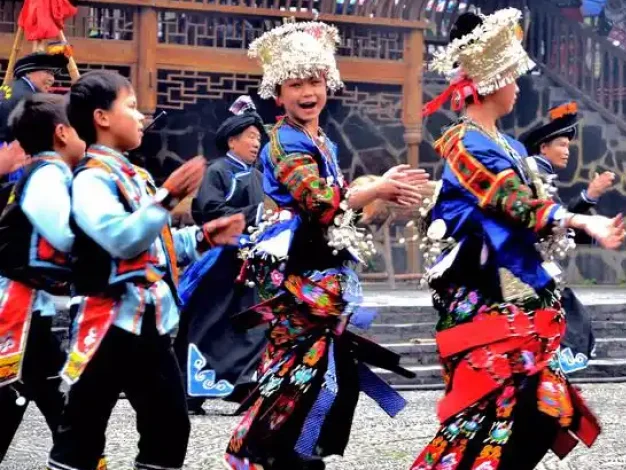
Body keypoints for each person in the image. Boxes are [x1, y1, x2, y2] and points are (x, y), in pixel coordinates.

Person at [413, 9, 626, 470]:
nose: (518, 86)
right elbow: (516, 205)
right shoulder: (465, 143)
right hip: (482, 296)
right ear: (492, 82)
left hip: (519, 298)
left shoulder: (508, 145)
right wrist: (584, 222)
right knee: (491, 412)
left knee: (542, 410)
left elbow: (531, 208)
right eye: (513, 77)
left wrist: (574, 222)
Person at [223, 21, 427, 470]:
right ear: (278, 93)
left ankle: (296, 454)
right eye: (295, 83)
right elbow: (320, 201)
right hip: (297, 281)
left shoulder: (320, 140)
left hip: (321, 277)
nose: (307, 91)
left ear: (327, 84)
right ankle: (259, 452)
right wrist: (375, 190)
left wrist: (380, 195)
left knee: (321, 379)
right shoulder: (285, 143)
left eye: (314, 80)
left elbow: (340, 210)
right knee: (301, 376)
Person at [46, 70, 246, 470]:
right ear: (102, 118)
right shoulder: (89, 180)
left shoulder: (134, 175)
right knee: (83, 432)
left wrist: (204, 238)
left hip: (149, 324)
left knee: (170, 427)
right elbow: (121, 239)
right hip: (106, 325)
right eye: (132, 107)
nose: (141, 117)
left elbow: (159, 246)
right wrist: (169, 197)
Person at [0, 94, 85, 462]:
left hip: (36, 303)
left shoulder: (49, 172)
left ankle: (77, 458)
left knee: (49, 390)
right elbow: (68, 236)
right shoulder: (49, 174)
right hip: (20, 302)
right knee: (12, 391)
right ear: (62, 133)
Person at [174, 95, 268, 415]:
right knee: (208, 324)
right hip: (221, 263)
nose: (256, 144)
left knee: (251, 326)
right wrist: (253, 214)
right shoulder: (219, 171)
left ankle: (241, 384)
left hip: (250, 264)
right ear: (232, 140)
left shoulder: (259, 177)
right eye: (251, 137)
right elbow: (209, 211)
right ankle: (191, 390)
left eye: (259, 138)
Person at [520, 101, 618, 374]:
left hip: (537, 265)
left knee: (569, 315)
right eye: (562, 145)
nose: (567, 151)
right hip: (525, 265)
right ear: (543, 147)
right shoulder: (532, 176)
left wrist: (591, 196)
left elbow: (560, 218)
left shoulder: (541, 175)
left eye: (568, 146)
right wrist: (589, 205)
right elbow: (551, 220)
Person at [0, 49, 70, 144]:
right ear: (28, 72)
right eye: (47, 72)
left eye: (53, 74)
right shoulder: (32, 99)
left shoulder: (6, 87)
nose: (52, 79)